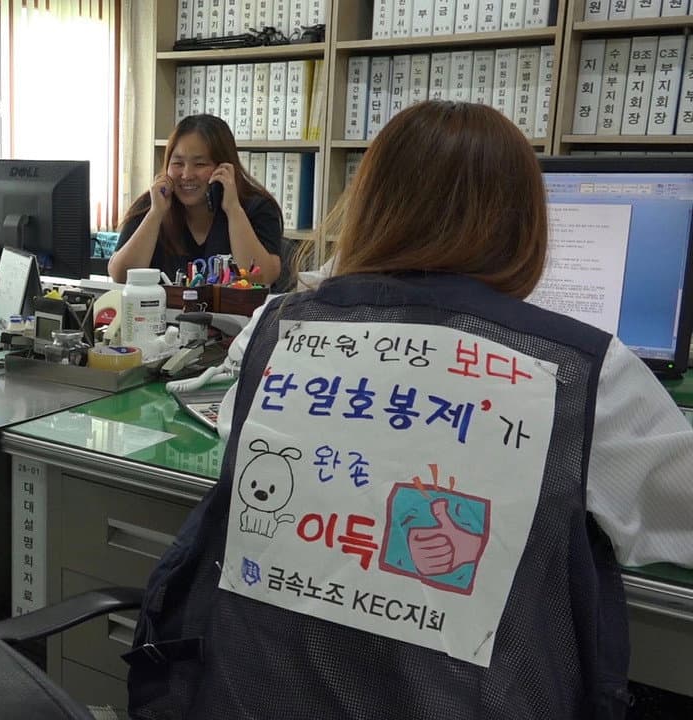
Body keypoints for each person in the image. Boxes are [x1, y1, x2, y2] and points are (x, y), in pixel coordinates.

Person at [127, 101, 693, 719]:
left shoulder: (278, 329)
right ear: (526, 224)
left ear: (368, 206)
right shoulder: (587, 373)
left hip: (254, 694)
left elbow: (240, 432)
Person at [107, 114, 286, 288]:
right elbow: (121, 276)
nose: (186, 175)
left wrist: (233, 209)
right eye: (178, 163)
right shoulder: (152, 203)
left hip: (236, 310)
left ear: (224, 167)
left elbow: (263, 278)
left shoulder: (256, 207)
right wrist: (155, 214)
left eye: (200, 164)